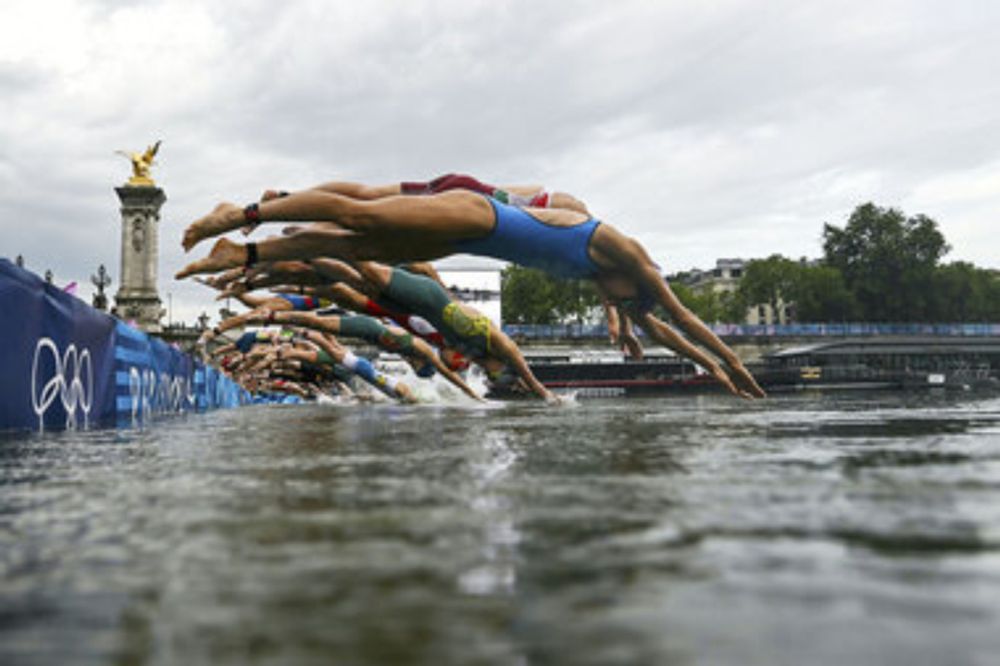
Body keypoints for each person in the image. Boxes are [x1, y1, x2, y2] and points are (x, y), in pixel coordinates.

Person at [178, 183, 764, 399]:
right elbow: (684, 318)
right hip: (483, 217)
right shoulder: (627, 255)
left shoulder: (616, 289)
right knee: (361, 220)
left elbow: (667, 333)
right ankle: (243, 216)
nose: (636, 315)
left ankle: (248, 252)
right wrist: (732, 360)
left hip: (474, 238)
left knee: (356, 245)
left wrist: (712, 371)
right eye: (631, 308)